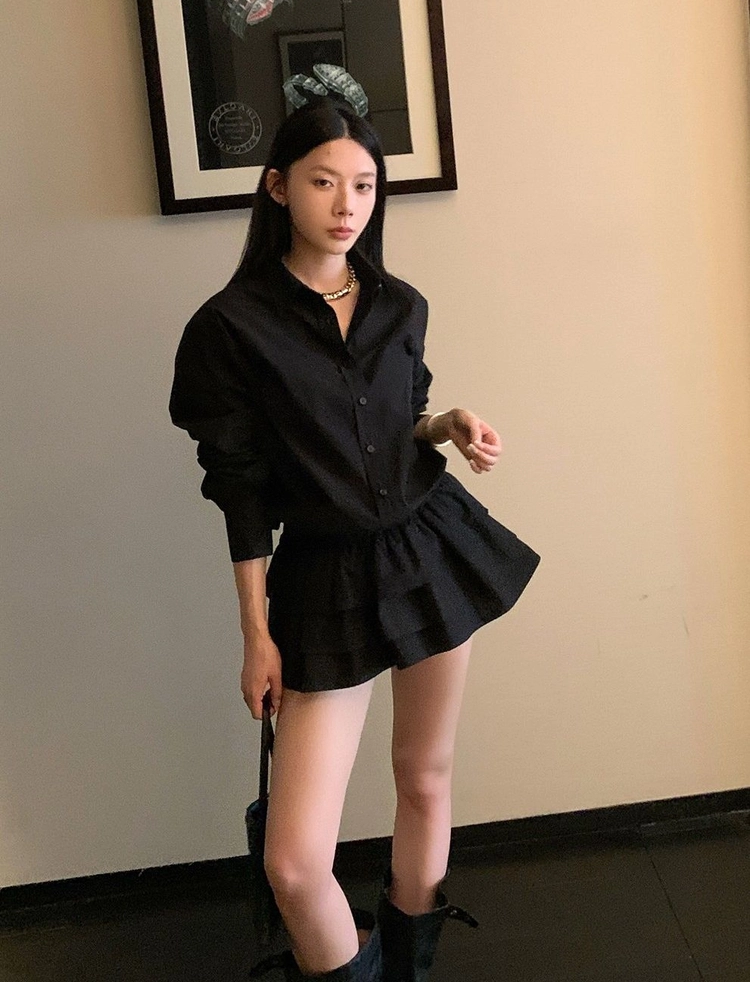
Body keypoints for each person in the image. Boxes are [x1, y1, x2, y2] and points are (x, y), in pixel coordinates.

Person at [169, 94, 541, 982]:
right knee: (296, 862)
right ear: (277, 188)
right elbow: (242, 493)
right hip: (324, 575)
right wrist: (256, 634)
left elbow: (396, 423)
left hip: (429, 547)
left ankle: (409, 966)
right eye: (324, 182)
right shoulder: (231, 328)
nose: (348, 205)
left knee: (425, 775)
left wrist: (445, 423)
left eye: (366, 185)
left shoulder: (400, 305)